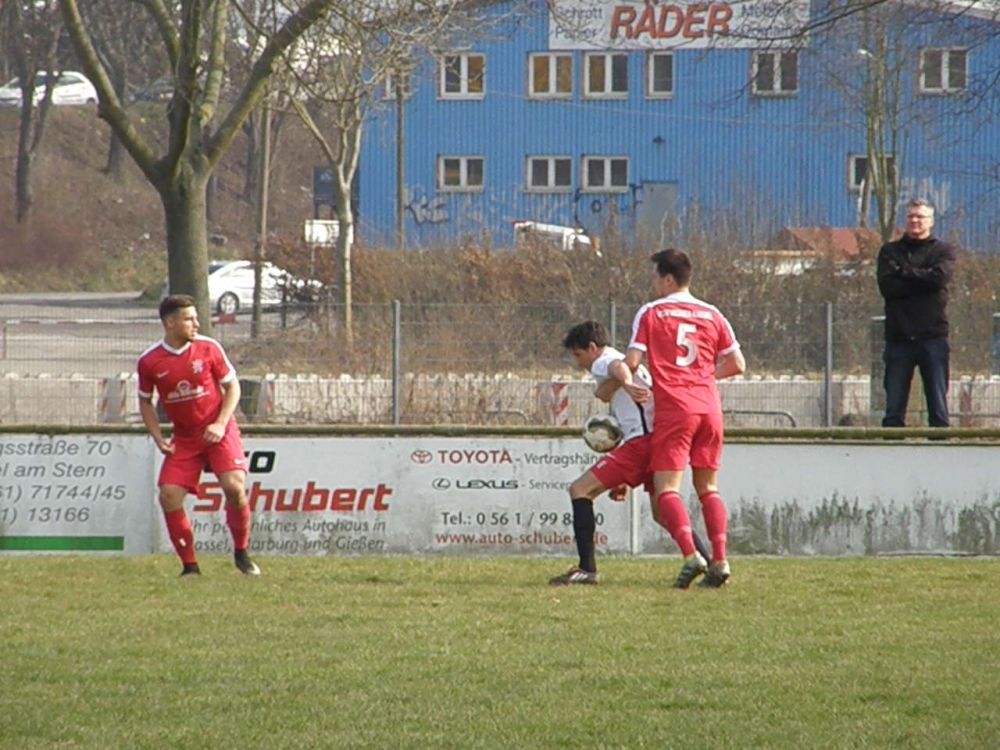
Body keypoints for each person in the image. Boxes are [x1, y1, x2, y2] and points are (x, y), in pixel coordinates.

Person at [549, 320, 712, 586]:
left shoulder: (607, 359)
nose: (579, 363)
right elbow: (614, 394)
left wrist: (625, 382)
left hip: (642, 444)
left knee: (580, 490)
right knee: (663, 513)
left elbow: (618, 368)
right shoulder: (619, 367)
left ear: (592, 348)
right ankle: (709, 564)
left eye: (578, 355)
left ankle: (587, 570)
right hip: (657, 441)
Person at [624, 249, 746, 589]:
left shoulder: (651, 312)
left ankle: (692, 556)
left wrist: (622, 380)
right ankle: (720, 561)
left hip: (676, 409)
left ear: (667, 279)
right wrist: (703, 378)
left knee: (667, 490)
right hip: (709, 408)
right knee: (708, 488)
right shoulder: (712, 313)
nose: (653, 284)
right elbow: (738, 364)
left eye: (654, 278)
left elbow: (633, 361)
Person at [137, 294, 261, 577]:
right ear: (170, 323)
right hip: (185, 437)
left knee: (233, 487)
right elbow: (145, 402)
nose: (196, 323)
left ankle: (241, 553)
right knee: (168, 495)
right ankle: (190, 567)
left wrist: (219, 423)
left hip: (220, 429)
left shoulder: (209, 348)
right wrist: (158, 438)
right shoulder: (150, 361)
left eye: (196, 318)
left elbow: (233, 388)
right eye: (189, 319)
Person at [876, 198, 956, 428]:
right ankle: (892, 453)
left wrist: (906, 272)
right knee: (893, 407)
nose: (915, 221)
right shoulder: (890, 251)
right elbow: (888, 288)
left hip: (933, 337)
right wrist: (924, 279)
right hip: (899, 338)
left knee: (938, 407)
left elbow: (940, 278)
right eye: (911, 216)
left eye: (920, 217)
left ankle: (940, 451)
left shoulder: (943, 251)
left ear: (930, 221)